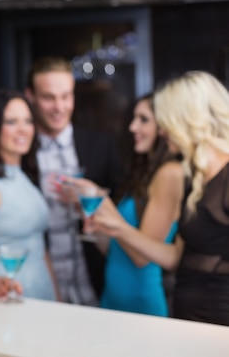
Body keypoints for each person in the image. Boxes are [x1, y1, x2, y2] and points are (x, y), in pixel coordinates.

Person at [91, 71, 229, 326]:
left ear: (186, 119)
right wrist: (117, 227)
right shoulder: (193, 178)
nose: (162, 131)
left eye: (164, 120)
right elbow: (176, 258)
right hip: (187, 318)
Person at [24, 56, 123, 305]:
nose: (60, 106)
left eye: (66, 96)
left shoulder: (102, 145)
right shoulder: (21, 153)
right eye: (49, 97)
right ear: (31, 97)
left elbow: (123, 209)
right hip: (41, 286)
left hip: (97, 282)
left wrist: (93, 202)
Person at [84, 93, 184, 316]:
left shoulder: (170, 173)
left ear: (164, 126)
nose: (132, 127)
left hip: (140, 302)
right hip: (112, 297)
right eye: (133, 118)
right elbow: (116, 248)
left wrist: (101, 202)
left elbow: (141, 258)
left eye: (143, 119)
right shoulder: (143, 173)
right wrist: (96, 226)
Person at [0, 89, 58, 301]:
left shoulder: (27, 177)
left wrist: (57, 297)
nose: (23, 129)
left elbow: (40, 248)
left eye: (28, 121)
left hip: (44, 294)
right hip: (9, 297)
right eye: (12, 122)